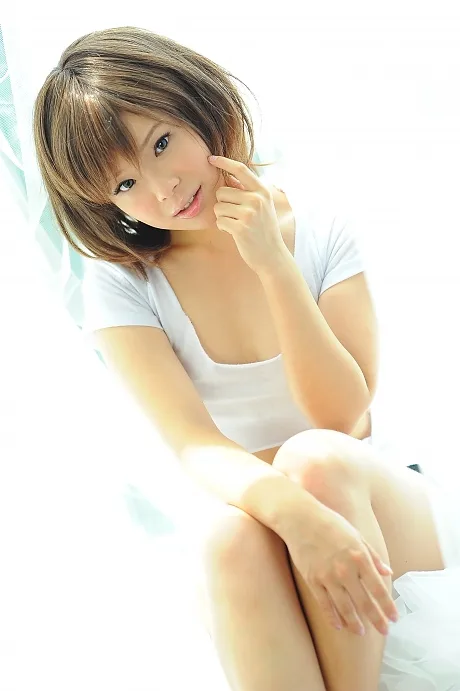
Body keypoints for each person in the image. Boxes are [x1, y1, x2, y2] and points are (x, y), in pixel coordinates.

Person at [33, 26, 460, 691]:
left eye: (162, 143)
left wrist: (273, 265)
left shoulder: (317, 228)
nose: (163, 189)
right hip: (262, 524)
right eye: (125, 183)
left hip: (375, 501)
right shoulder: (123, 283)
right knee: (230, 539)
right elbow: (195, 445)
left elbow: (342, 417)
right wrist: (297, 517)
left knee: (316, 460)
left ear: (197, 104)